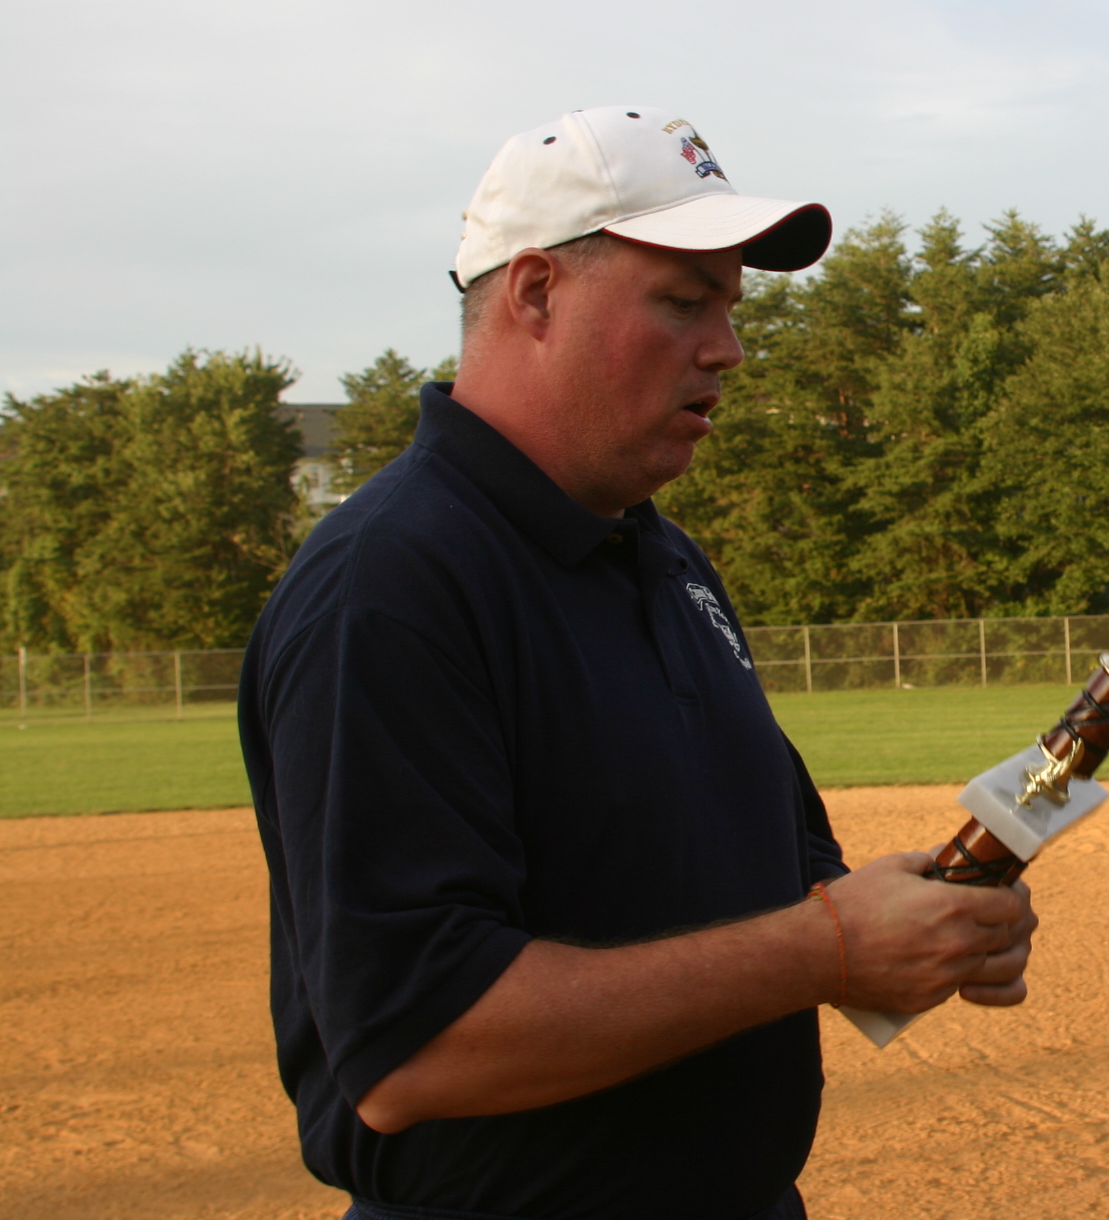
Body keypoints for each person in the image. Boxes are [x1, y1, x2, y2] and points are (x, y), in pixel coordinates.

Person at [240, 107, 1038, 1220]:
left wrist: (932, 918)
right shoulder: (392, 578)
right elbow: (414, 1045)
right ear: (533, 294)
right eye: (682, 300)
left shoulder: (663, 558)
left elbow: (784, 881)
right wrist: (827, 949)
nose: (728, 347)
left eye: (729, 305)